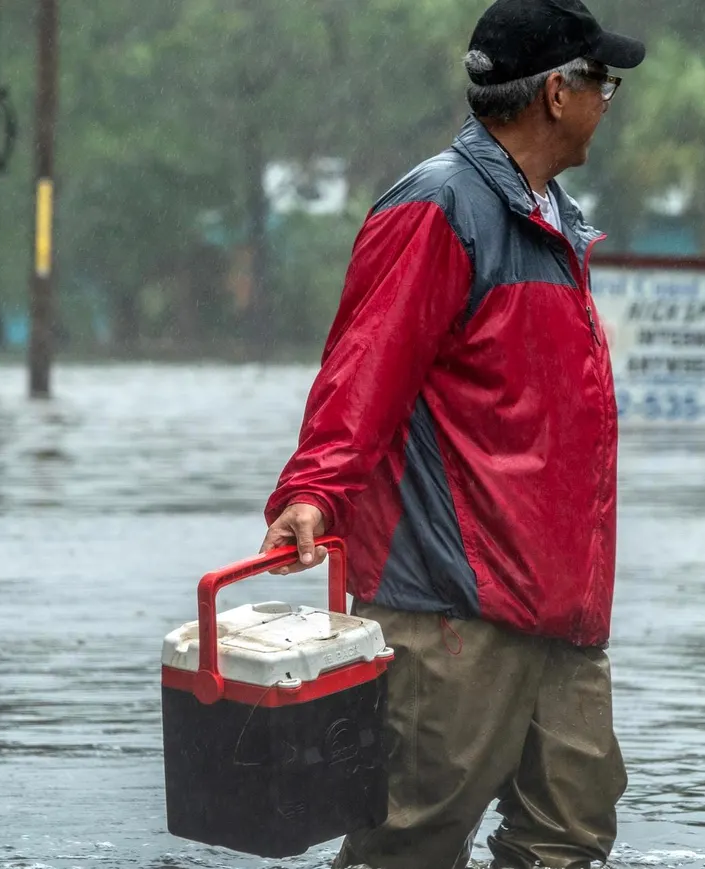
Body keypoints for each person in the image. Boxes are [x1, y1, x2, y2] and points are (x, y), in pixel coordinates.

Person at [258, 1, 644, 866]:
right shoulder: (438, 206)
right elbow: (363, 372)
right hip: (451, 610)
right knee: (412, 841)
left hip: (563, 613)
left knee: (570, 837)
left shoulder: (555, 219)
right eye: (602, 83)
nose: (608, 101)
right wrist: (312, 491)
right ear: (556, 93)